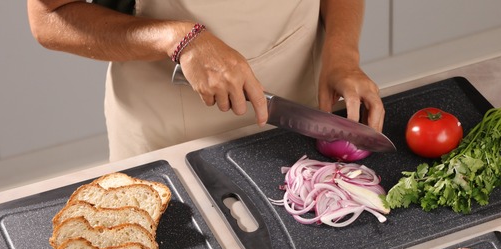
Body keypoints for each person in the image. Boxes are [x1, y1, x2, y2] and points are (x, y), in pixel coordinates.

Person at [27, 0, 385, 161]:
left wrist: (342, 54)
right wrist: (177, 39)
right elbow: (49, 18)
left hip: (301, 106)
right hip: (170, 128)